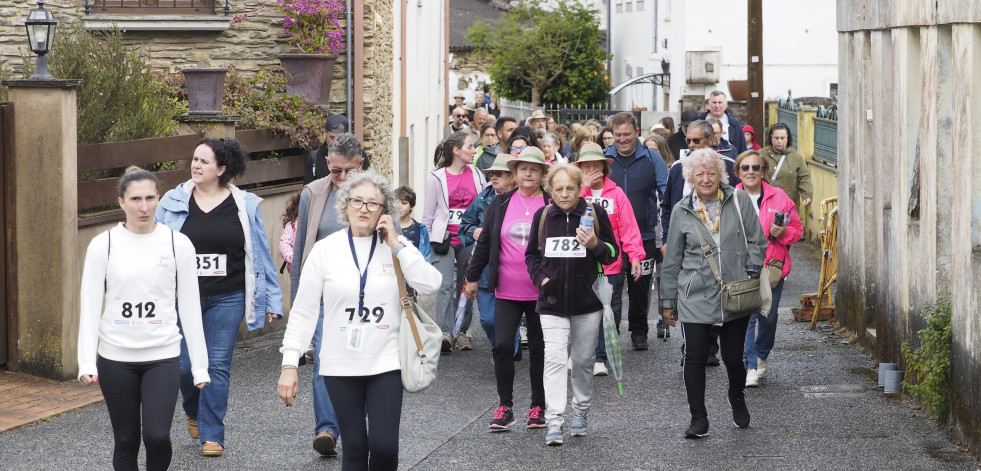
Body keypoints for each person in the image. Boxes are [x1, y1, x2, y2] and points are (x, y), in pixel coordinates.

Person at [277, 171, 441, 471]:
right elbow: (304, 309)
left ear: (384, 211)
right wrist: (290, 363)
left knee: (384, 446)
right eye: (357, 201)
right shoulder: (325, 250)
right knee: (354, 448)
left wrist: (397, 244)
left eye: (373, 203)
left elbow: (431, 283)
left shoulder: (396, 247)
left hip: (386, 361)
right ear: (346, 205)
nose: (364, 208)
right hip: (340, 363)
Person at [156, 138, 283, 457]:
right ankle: (194, 410)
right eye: (194, 159)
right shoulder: (173, 202)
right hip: (182, 298)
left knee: (217, 365)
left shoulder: (244, 206)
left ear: (222, 169)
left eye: (204, 161)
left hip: (228, 296)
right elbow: (155, 248)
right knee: (185, 366)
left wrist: (272, 301)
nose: (195, 165)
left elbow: (259, 255)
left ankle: (213, 434)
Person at [79, 168, 210, 471]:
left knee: (157, 435)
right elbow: (89, 306)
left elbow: (190, 308)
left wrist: (199, 366)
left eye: (150, 198)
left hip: (162, 355)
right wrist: (86, 360)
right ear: (121, 202)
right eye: (135, 199)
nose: (144, 206)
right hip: (115, 357)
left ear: (158, 199)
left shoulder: (179, 244)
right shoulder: (104, 244)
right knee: (126, 440)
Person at [660, 148, 767, 439]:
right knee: (694, 356)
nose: (706, 179)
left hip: (735, 292)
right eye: (699, 174)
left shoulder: (739, 199)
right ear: (691, 178)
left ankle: (736, 396)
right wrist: (667, 302)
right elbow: (671, 261)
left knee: (733, 358)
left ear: (720, 174)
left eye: (711, 173)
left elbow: (757, 240)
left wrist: (752, 271)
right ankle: (699, 418)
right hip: (695, 294)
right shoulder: (682, 210)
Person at [526, 163, 619, 446]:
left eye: (570, 188)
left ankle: (580, 411)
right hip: (551, 302)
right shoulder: (543, 215)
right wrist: (540, 278)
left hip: (587, 302)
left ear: (580, 189)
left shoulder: (595, 214)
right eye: (559, 189)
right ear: (550, 190)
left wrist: (594, 245)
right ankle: (555, 420)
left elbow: (613, 254)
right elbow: (531, 255)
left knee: (582, 360)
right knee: (554, 359)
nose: (564, 194)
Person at [289, 134, 367, 456]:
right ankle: (326, 429)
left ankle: (353, 427)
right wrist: (297, 307)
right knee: (323, 357)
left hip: (364, 296)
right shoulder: (313, 193)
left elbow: (396, 244)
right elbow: (301, 251)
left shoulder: (375, 194)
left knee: (360, 359)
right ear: (327, 165)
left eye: (349, 170)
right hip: (323, 294)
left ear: (360, 164)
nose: (343, 178)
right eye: (336, 171)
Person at [464, 147, 551, 432]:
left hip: (541, 290)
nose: (528, 174)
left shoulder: (551, 203)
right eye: (523, 168)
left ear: (542, 174)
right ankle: (505, 406)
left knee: (539, 348)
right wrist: (473, 278)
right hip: (506, 289)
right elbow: (485, 242)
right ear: (515, 173)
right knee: (502, 345)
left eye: (534, 169)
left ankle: (538, 406)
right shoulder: (500, 203)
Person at [660, 120, 737, 355]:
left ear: (711, 140)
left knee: (714, 294)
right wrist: (666, 240)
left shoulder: (727, 167)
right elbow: (666, 207)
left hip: (717, 244)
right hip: (684, 243)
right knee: (689, 292)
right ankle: (692, 347)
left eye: (697, 140)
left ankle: (710, 347)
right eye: (688, 141)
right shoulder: (677, 168)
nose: (691, 145)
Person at [574, 143, 645, 376]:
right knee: (582, 309)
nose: (593, 170)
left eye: (597, 166)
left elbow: (628, 228)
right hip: (579, 263)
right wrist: (581, 188)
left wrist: (635, 256)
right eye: (587, 166)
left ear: (605, 168)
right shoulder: (573, 193)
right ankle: (581, 352)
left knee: (609, 309)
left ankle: (601, 357)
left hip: (610, 262)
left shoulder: (616, 193)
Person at [733, 150, 803, 387]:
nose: (750, 172)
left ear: (763, 171)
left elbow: (797, 230)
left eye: (755, 168)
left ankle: (761, 353)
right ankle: (750, 365)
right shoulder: (730, 197)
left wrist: (785, 233)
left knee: (769, 318)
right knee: (747, 317)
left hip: (772, 267)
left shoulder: (779, 197)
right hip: (741, 267)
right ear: (738, 172)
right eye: (745, 168)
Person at [604, 112, 668, 350]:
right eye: (617, 135)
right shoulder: (604, 160)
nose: (622, 139)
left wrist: (666, 229)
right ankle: (610, 333)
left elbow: (666, 193)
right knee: (610, 289)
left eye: (626, 134)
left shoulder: (653, 158)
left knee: (640, 287)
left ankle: (639, 332)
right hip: (610, 241)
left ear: (637, 132)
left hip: (645, 237)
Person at [423, 130, 488, 352]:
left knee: (465, 285)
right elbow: (428, 215)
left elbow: (483, 207)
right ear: (456, 151)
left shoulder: (478, 175)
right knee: (445, 285)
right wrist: (429, 242)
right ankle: (444, 333)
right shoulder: (437, 178)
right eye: (470, 147)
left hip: (469, 238)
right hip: (444, 239)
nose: (474, 151)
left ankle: (462, 331)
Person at [459, 153, 520, 357]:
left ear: (513, 177)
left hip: (512, 269)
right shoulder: (483, 198)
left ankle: (507, 349)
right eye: (492, 173)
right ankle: (501, 348)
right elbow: (465, 223)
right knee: (487, 319)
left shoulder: (523, 199)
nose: (494, 177)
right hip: (485, 270)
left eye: (499, 174)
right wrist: (473, 230)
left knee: (509, 316)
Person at [760, 123, 814, 208]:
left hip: (788, 205)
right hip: (766, 203)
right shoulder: (761, 155)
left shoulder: (796, 157)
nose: (779, 141)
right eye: (776, 138)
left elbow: (804, 177)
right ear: (771, 137)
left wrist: (806, 195)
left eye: (782, 138)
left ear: (787, 138)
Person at [305, 115, 369, 184]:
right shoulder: (315, 158)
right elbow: (309, 190)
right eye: (332, 138)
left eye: (340, 137)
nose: (335, 142)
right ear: (325, 134)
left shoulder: (358, 155)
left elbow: (368, 185)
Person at [396, 186, 432, 263]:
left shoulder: (421, 229)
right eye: (396, 203)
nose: (399, 206)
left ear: (412, 207)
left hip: (414, 269)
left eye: (404, 203)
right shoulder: (389, 227)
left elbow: (427, 255)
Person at [279, 191, 302, 276]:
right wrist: (292, 258)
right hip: (297, 270)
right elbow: (284, 244)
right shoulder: (292, 225)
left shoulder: (315, 223)